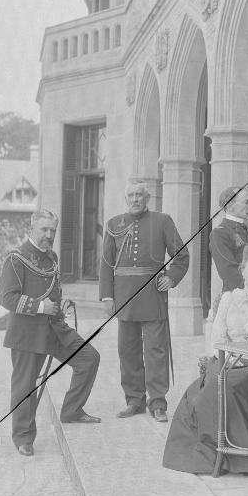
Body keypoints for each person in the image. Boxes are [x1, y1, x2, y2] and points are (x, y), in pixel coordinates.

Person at [162, 242, 248, 474]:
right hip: (228, 359)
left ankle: (241, 458)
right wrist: (224, 359)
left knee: (226, 385)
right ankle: (214, 453)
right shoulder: (228, 298)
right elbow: (217, 339)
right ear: (243, 270)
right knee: (201, 391)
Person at [0, 209, 101, 457]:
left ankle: (71, 410)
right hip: (27, 332)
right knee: (25, 386)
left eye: (52, 230)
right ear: (32, 228)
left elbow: (53, 291)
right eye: (44, 229)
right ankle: (23, 437)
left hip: (54, 329)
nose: (49, 235)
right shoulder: (16, 258)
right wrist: (41, 306)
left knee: (89, 358)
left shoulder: (52, 257)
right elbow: (6, 297)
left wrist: (61, 303)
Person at [100, 181, 190, 424]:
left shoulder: (163, 221)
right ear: (125, 197)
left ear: (148, 197)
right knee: (127, 351)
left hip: (153, 295)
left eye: (140, 194)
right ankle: (134, 400)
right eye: (131, 194)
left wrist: (171, 277)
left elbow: (181, 255)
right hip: (124, 296)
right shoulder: (114, 224)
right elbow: (107, 264)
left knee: (156, 351)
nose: (135, 198)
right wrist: (107, 296)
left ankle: (158, 403)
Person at [209, 185, 248, 293]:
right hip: (237, 295)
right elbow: (228, 271)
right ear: (230, 205)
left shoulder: (245, 229)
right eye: (246, 202)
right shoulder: (219, 233)